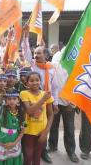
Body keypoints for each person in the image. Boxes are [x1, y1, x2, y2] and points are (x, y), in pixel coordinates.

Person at [21, 24, 59, 163]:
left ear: (46, 55)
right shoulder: (33, 66)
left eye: (39, 53)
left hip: (47, 101)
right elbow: (26, 52)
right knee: (33, 127)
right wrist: (25, 36)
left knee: (44, 127)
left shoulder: (53, 68)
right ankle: (36, 152)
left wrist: (54, 102)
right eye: (35, 53)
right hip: (34, 101)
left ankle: (43, 152)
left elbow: (55, 88)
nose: (36, 55)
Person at [48, 44, 79, 163]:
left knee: (70, 128)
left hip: (69, 103)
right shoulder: (56, 60)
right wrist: (53, 101)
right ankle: (52, 145)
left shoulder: (76, 63)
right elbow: (52, 81)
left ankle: (71, 151)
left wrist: (74, 100)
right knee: (53, 126)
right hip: (56, 101)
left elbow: (78, 83)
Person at [20, 72, 54, 165]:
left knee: (37, 156)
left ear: (40, 81)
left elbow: (51, 114)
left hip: (41, 131)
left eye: (37, 80)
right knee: (28, 155)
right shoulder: (24, 93)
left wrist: (46, 131)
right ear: (26, 83)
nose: (35, 83)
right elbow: (29, 111)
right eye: (31, 80)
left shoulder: (46, 95)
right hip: (28, 131)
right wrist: (43, 99)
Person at [0, 89, 24, 165]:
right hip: (2, 142)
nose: (12, 101)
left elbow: (23, 130)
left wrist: (14, 143)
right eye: (9, 99)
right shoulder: (2, 110)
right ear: (5, 101)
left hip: (14, 142)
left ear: (18, 101)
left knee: (12, 159)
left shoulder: (21, 114)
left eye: (14, 99)